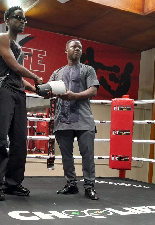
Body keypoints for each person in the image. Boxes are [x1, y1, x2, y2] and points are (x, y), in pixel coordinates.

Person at [0, 6, 43, 201]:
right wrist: (36, 77)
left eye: (24, 19)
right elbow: (13, 66)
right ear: (7, 20)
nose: (22, 21)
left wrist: (34, 88)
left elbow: (16, 74)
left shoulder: (19, 48)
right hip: (4, 92)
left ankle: (12, 183)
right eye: (18, 18)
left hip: (18, 93)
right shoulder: (2, 38)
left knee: (19, 141)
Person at [47, 39, 100, 200]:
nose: (77, 49)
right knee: (66, 156)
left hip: (84, 120)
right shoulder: (57, 72)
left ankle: (89, 186)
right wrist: (44, 90)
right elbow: (49, 89)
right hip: (62, 119)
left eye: (80, 47)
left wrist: (74, 96)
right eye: (73, 46)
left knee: (88, 154)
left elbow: (93, 90)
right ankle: (71, 184)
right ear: (66, 50)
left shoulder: (88, 69)